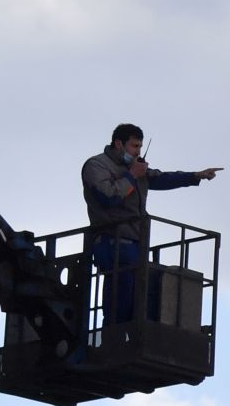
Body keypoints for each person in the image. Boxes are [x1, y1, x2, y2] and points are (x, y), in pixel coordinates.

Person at [81, 124, 221, 323]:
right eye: (134, 146)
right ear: (118, 143)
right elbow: (108, 197)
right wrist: (132, 175)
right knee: (120, 293)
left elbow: (163, 178)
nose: (138, 151)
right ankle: (112, 336)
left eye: (140, 146)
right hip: (111, 240)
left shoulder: (136, 168)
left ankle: (128, 336)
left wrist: (194, 176)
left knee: (140, 296)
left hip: (136, 241)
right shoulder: (97, 165)